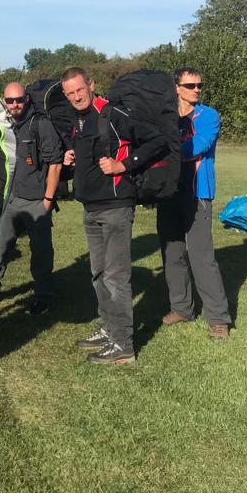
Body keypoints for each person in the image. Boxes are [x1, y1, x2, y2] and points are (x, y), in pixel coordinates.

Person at [61, 67, 167, 365]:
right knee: (98, 274)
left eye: (80, 90)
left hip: (116, 206)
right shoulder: (78, 120)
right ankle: (109, 329)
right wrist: (72, 159)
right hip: (90, 207)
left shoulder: (113, 114)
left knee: (116, 277)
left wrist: (124, 166)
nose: (76, 97)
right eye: (70, 93)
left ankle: (123, 345)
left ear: (91, 84)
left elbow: (157, 141)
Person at [0, 82, 62, 314]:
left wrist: (48, 200)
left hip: (37, 201)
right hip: (12, 198)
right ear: (3, 100)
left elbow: (55, 163)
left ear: (27, 99)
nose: (15, 105)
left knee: (40, 252)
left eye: (19, 100)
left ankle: (44, 296)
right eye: (10, 101)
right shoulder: (6, 124)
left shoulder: (40, 123)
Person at [156, 67, 232, 340]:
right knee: (172, 253)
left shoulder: (208, 115)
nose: (196, 90)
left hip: (197, 193)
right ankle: (181, 308)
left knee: (202, 257)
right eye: (190, 85)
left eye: (199, 85)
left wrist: (162, 151)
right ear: (176, 87)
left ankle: (218, 318)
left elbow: (196, 147)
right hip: (168, 193)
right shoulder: (165, 115)